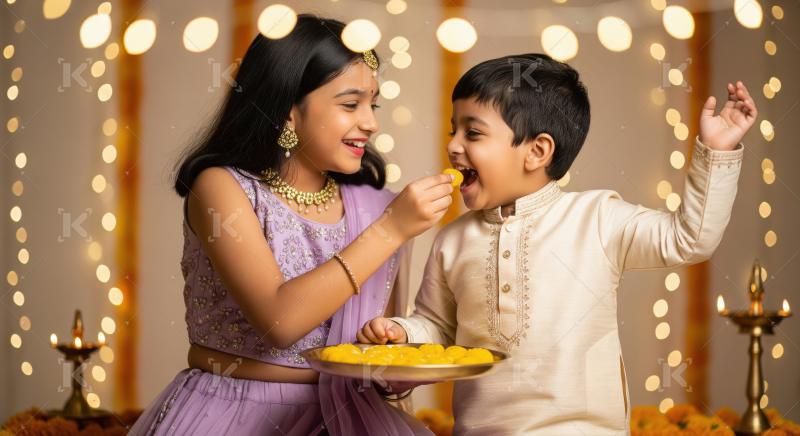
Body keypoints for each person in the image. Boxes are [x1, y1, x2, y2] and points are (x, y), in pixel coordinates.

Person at [359, 53, 757, 434]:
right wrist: (401, 333)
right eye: (453, 130)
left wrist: (716, 152)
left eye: (473, 132)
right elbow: (437, 328)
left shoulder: (598, 218)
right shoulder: (452, 239)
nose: (453, 145)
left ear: (537, 151)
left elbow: (690, 239)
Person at [130, 15, 454, 436]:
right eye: (350, 104)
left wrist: (401, 357)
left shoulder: (376, 206)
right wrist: (391, 231)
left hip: (351, 419)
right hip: (233, 415)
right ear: (288, 112)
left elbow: (378, 359)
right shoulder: (222, 190)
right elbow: (278, 321)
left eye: (372, 105)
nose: (371, 123)